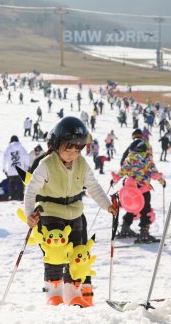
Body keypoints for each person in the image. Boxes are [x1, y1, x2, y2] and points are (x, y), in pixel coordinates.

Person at [24, 117, 118, 306]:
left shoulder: (81, 164)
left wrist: (107, 205)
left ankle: (74, 294)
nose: (74, 153)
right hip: (51, 213)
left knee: (79, 255)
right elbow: (31, 190)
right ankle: (54, 294)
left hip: (75, 213)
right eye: (69, 147)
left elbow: (93, 187)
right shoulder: (46, 164)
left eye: (78, 148)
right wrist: (29, 215)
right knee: (56, 253)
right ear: (57, 143)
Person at [112, 138, 166, 242]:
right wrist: (162, 181)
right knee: (146, 210)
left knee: (132, 208)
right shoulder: (147, 158)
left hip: (131, 190)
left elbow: (122, 172)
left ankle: (125, 228)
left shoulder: (129, 158)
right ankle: (144, 233)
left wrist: (115, 180)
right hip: (143, 190)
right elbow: (154, 173)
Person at [2, 135, 29, 201]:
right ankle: (21, 198)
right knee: (20, 184)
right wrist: (26, 167)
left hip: (11, 171)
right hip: (20, 170)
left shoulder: (8, 148)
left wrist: (4, 168)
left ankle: (12, 197)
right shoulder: (21, 148)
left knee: (12, 184)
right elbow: (26, 158)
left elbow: (4, 159)